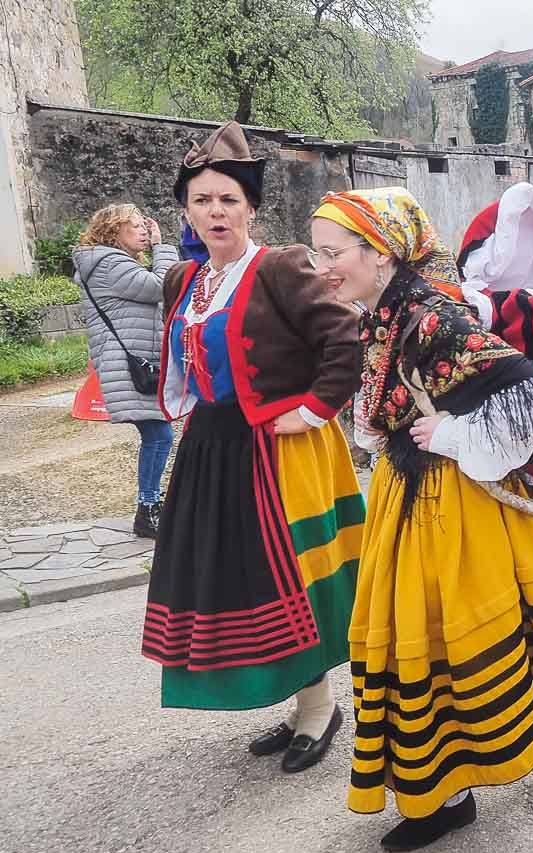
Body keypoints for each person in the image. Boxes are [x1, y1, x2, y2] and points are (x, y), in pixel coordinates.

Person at [311, 187, 533, 852]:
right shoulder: (383, 311)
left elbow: (532, 389)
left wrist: (448, 432)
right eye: (318, 252)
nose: (323, 265)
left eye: (333, 253)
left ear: (378, 252)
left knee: (444, 635)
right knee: (420, 635)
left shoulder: (431, 315)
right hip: (406, 494)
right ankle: (455, 779)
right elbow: (386, 403)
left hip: (451, 502)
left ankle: (458, 781)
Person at [143, 122, 363, 775]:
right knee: (238, 580)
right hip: (212, 450)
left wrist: (314, 409)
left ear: (251, 208)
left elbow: (343, 340)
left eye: (229, 200)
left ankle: (321, 708)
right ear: (185, 208)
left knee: (290, 576)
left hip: (278, 450)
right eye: (203, 199)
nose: (216, 211)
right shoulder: (182, 281)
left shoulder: (280, 266)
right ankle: (300, 705)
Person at [72, 203, 178, 538]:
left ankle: (150, 506)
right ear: (113, 230)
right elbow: (164, 286)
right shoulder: (110, 263)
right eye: (135, 225)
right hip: (127, 364)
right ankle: (148, 509)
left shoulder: (108, 263)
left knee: (157, 434)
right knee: (159, 435)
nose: (144, 231)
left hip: (128, 361)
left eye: (144, 226)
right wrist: (163, 248)